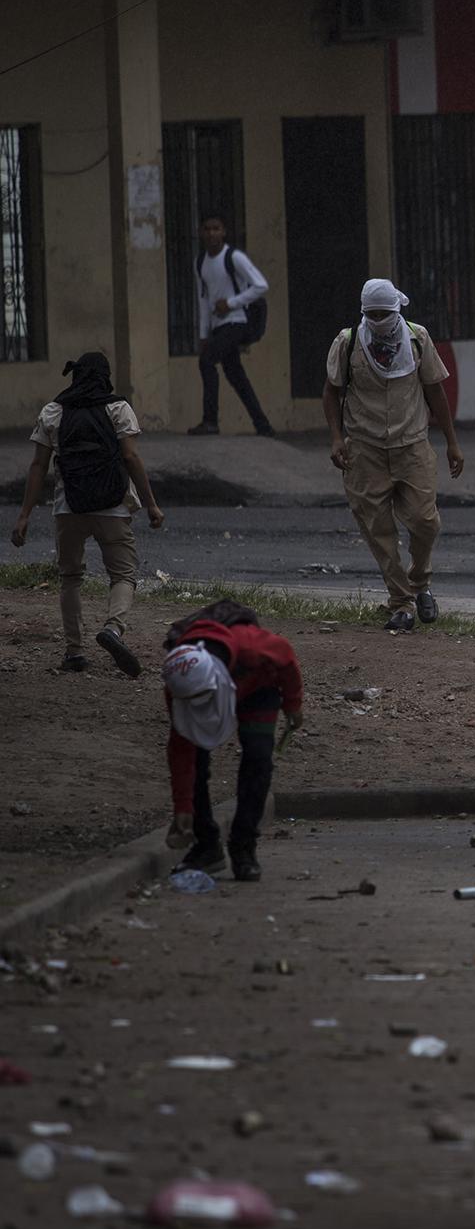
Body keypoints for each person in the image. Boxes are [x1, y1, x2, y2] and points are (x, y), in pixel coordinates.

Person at [323, 279, 465, 632]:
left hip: (412, 443)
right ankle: (401, 601)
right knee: (378, 528)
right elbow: (331, 392)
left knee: (425, 521)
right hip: (364, 448)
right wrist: (336, 438)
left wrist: (451, 442)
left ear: (397, 310)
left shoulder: (417, 338)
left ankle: (420, 581)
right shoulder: (348, 342)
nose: (378, 320)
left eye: (384, 314)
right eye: (371, 314)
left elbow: (435, 391)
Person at [10, 351, 164, 676]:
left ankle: (75, 652)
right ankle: (113, 628)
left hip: (69, 507)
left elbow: (38, 465)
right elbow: (131, 458)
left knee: (70, 578)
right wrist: (151, 504)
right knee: (122, 575)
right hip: (113, 506)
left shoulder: (54, 411)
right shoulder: (118, 408)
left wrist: (24, 516)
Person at [162, 606, 304, 882]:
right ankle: (206, 846)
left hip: (258, 689)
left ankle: (244, 848)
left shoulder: (252, 648)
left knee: (258, 760)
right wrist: (183, 809)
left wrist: (293, 704)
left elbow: (286, 656)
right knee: (197, 766)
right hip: (225, 684)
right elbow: (181, 754)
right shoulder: (178, 685)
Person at [187, 213, 274, 437]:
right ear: (201, 233)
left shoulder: (234, 257)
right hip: (218, 326)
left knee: (206, 362)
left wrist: (232, 303)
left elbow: (260, 285)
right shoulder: (200, 262)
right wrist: (204, 333)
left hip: (237, 321)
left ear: (224, 232)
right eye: (207, 228)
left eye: (216, 228)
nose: (212, 233)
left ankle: (210, 421)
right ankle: (263, 426)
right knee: (235, 374)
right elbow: (203, 300)